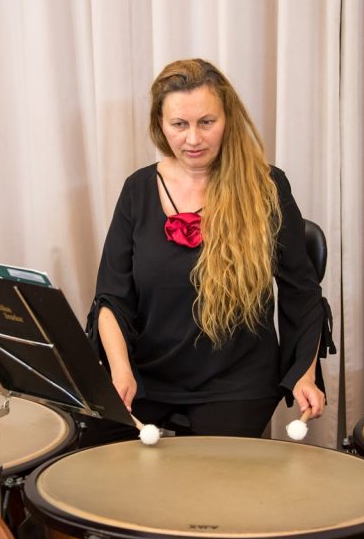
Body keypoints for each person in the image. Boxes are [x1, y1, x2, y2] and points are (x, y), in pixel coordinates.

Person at [86, 58, 325, 438]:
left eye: (206, 122)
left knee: (207, 474)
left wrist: (304, 374)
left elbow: (302, 292)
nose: (193, 139)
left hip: (237, 381)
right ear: (160, 124)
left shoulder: (266, 187)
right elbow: (111, 298)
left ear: (227, 119)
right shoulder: (137, 190)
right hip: (147, 373)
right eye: (179, 124)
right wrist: (120, 371)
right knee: (96, 458)